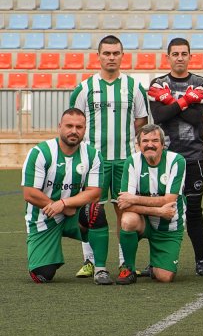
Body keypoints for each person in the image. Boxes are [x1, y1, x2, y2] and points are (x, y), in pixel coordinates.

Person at [68, 35, 148, 278]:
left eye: (115, 53)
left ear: (122, 56)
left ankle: (125, 262)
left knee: (125, 209)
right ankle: (90, 261)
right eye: (107, 53)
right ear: (99, 56)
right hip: (94, 162)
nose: (111, 57)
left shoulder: (134, 87)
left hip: (125, 160)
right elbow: (75, 122)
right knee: (92, 211)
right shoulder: (84, 88)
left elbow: (141, 121)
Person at [146, 37, 203, 277]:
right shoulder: (157, 82)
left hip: (193, 155)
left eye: (184, 53)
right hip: (164, 158)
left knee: (194, 209)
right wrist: (186, 100)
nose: (180, 58)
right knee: (161, 207)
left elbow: (197, 119)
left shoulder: (201, 82)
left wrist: (171, 101)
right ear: (168, 57)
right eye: (175, 54)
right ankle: (154, 261)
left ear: (190, 56)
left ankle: (201, 261)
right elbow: (160, 116)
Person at [23, 109, 108, 284]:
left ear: (85, 130)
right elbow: (30, 193)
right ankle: (47, 255)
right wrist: (56, 206)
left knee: (95, 210)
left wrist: (64, 204)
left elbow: (94, 192)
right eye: (69, 126)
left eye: (79, 127)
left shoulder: (92, 155)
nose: (74, 131)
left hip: (72, 215)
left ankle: (100, 269)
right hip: (43, 218)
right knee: (42, 275)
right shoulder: (40, 152)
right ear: (59, 127)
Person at [115, 125, 188, 284]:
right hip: (146, 221)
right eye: (145, 141)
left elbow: (169, 200)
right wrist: (159, 211)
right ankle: (129, 269)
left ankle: (155, 265)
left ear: (163, 144)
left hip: (168, 226)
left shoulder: (176, 161)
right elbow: (123, 204)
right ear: (139, 145)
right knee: (128, 220)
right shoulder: (132, 162)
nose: (150, 144)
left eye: (155, 140)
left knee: (164, 277)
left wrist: (135, 199)